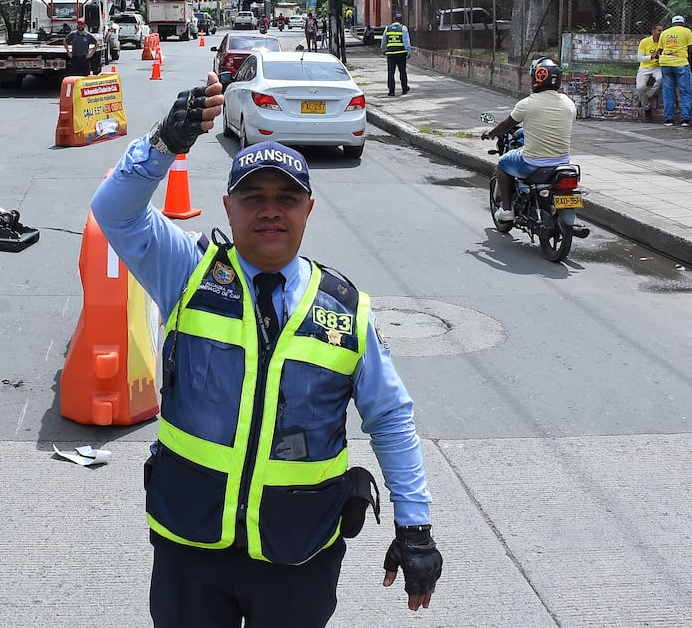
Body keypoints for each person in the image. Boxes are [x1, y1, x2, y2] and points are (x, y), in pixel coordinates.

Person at [90, 79, 443, 627]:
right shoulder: (188, 272)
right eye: (254, 198)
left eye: (287, 199)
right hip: (190, 543)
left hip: (298, 553)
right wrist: (163, 144)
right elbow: (113, 211)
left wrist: (415, 527)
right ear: (228, 208)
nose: (270, 212)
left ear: (309, 209)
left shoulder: (346, 310)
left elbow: (391, 418)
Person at [481, 58, 576, 222]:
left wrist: (491, 133)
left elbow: (506, 125)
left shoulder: (527, 104)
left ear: (535, 79)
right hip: (562, 161)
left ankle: (507, 210)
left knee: (502, 164)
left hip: (533, 162)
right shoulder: (569, 103)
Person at [658, 14, 692, 126]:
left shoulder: (665, 33)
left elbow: (660, 50)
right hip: (681, 63)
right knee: (685, 92)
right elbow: (691, 48)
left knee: (668, 92)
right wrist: (685, 55)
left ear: (672, 23)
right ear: (683, 23)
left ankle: (668, 119)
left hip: (665, 63)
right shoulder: (687, 31)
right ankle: (685, 120)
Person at [635, 24, 663, 119]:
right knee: (640, 87)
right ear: (653, 31)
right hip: (645, 67)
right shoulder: (645, 41)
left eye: (662, 31)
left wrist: (659, 57)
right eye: (659, 31)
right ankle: (646, 108)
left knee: (661, 79)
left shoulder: (663, 42)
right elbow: (639, 58)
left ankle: (647, 96)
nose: (661, 33)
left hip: (657, 67)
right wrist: (650, 57)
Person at [381, 13, 412, 97]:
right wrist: (408, 51)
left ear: (394, 19)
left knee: (391, 72)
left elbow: (384, 40)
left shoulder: (388, 28)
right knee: (402, 71)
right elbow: (406, 41)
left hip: (390, 54)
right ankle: (404, 89)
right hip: (401, 53)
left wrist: (383, 50)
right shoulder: (403, 28)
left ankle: (391, 91)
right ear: (401, 20)